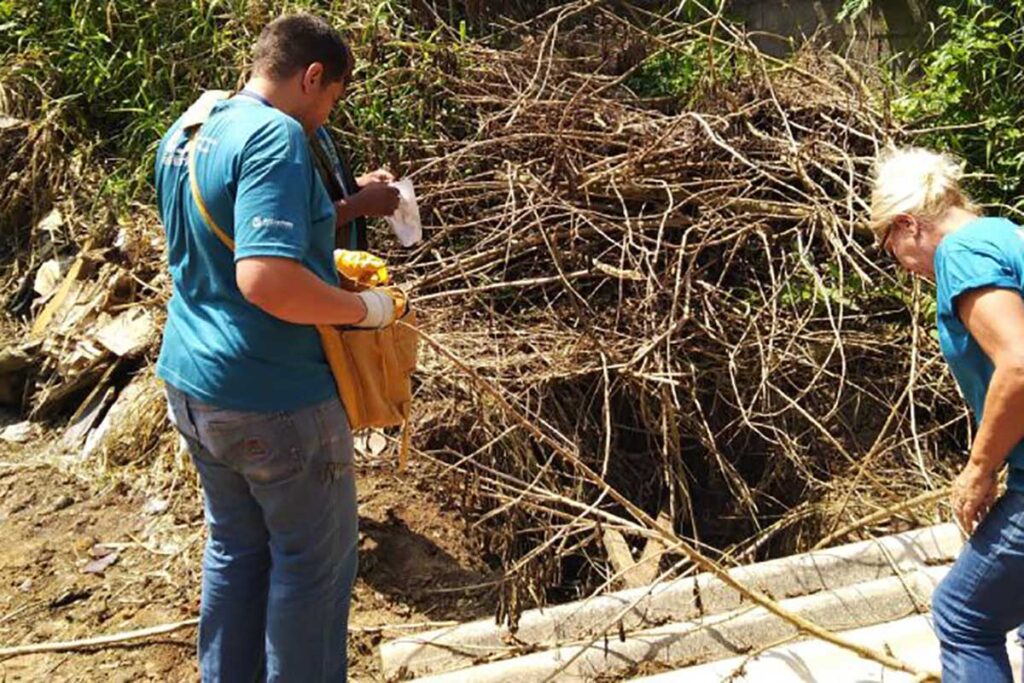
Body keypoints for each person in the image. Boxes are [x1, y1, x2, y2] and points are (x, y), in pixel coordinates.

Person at [153, 12, 401, 682]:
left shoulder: (188, 129)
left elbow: (210, 246)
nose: (324, 117)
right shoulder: (277, 135)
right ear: (311, 76)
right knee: (313, 568)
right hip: (273, 394)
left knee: (236, 548)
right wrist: (363, 310)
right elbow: (264, 278)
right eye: (330, 100)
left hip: (192, 382)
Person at [870, 147, 1024, 682]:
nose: (905, 268)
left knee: (963, 617)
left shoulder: (962, 253)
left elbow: (1019, 366)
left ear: (908, 225)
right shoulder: (1008, 234)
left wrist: (979, 472)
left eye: (892, 249)